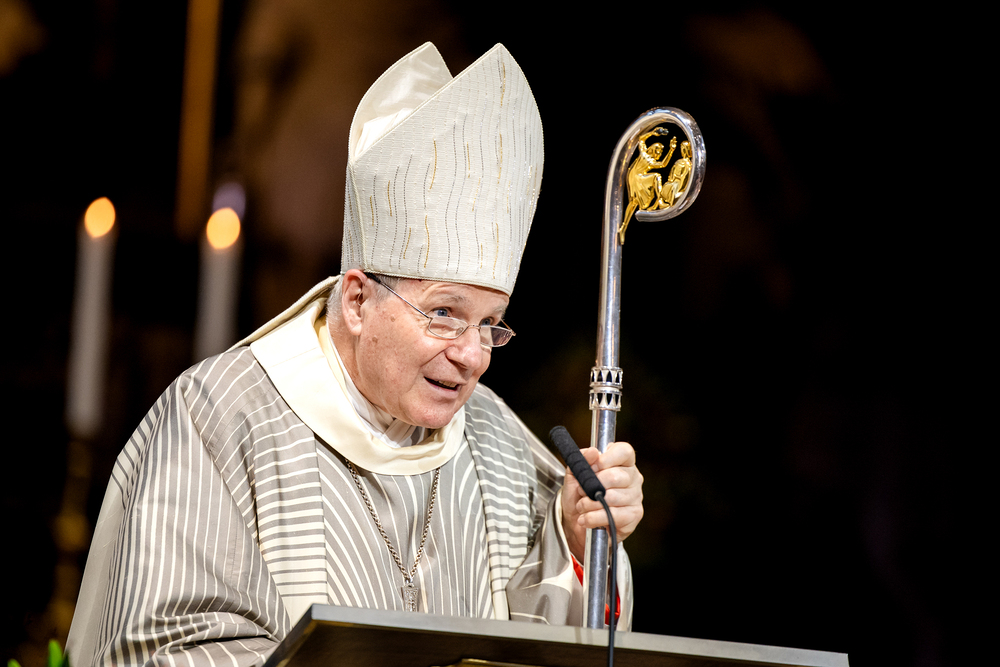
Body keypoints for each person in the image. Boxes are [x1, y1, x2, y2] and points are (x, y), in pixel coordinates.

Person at [66, 42, 644, 665]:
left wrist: (576, 542)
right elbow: (166, 645)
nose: (472, 356)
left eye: (490, 325)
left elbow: (561, 650)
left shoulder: (497, 443)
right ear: (358, 298)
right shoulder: (219, 421)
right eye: (444, 314)